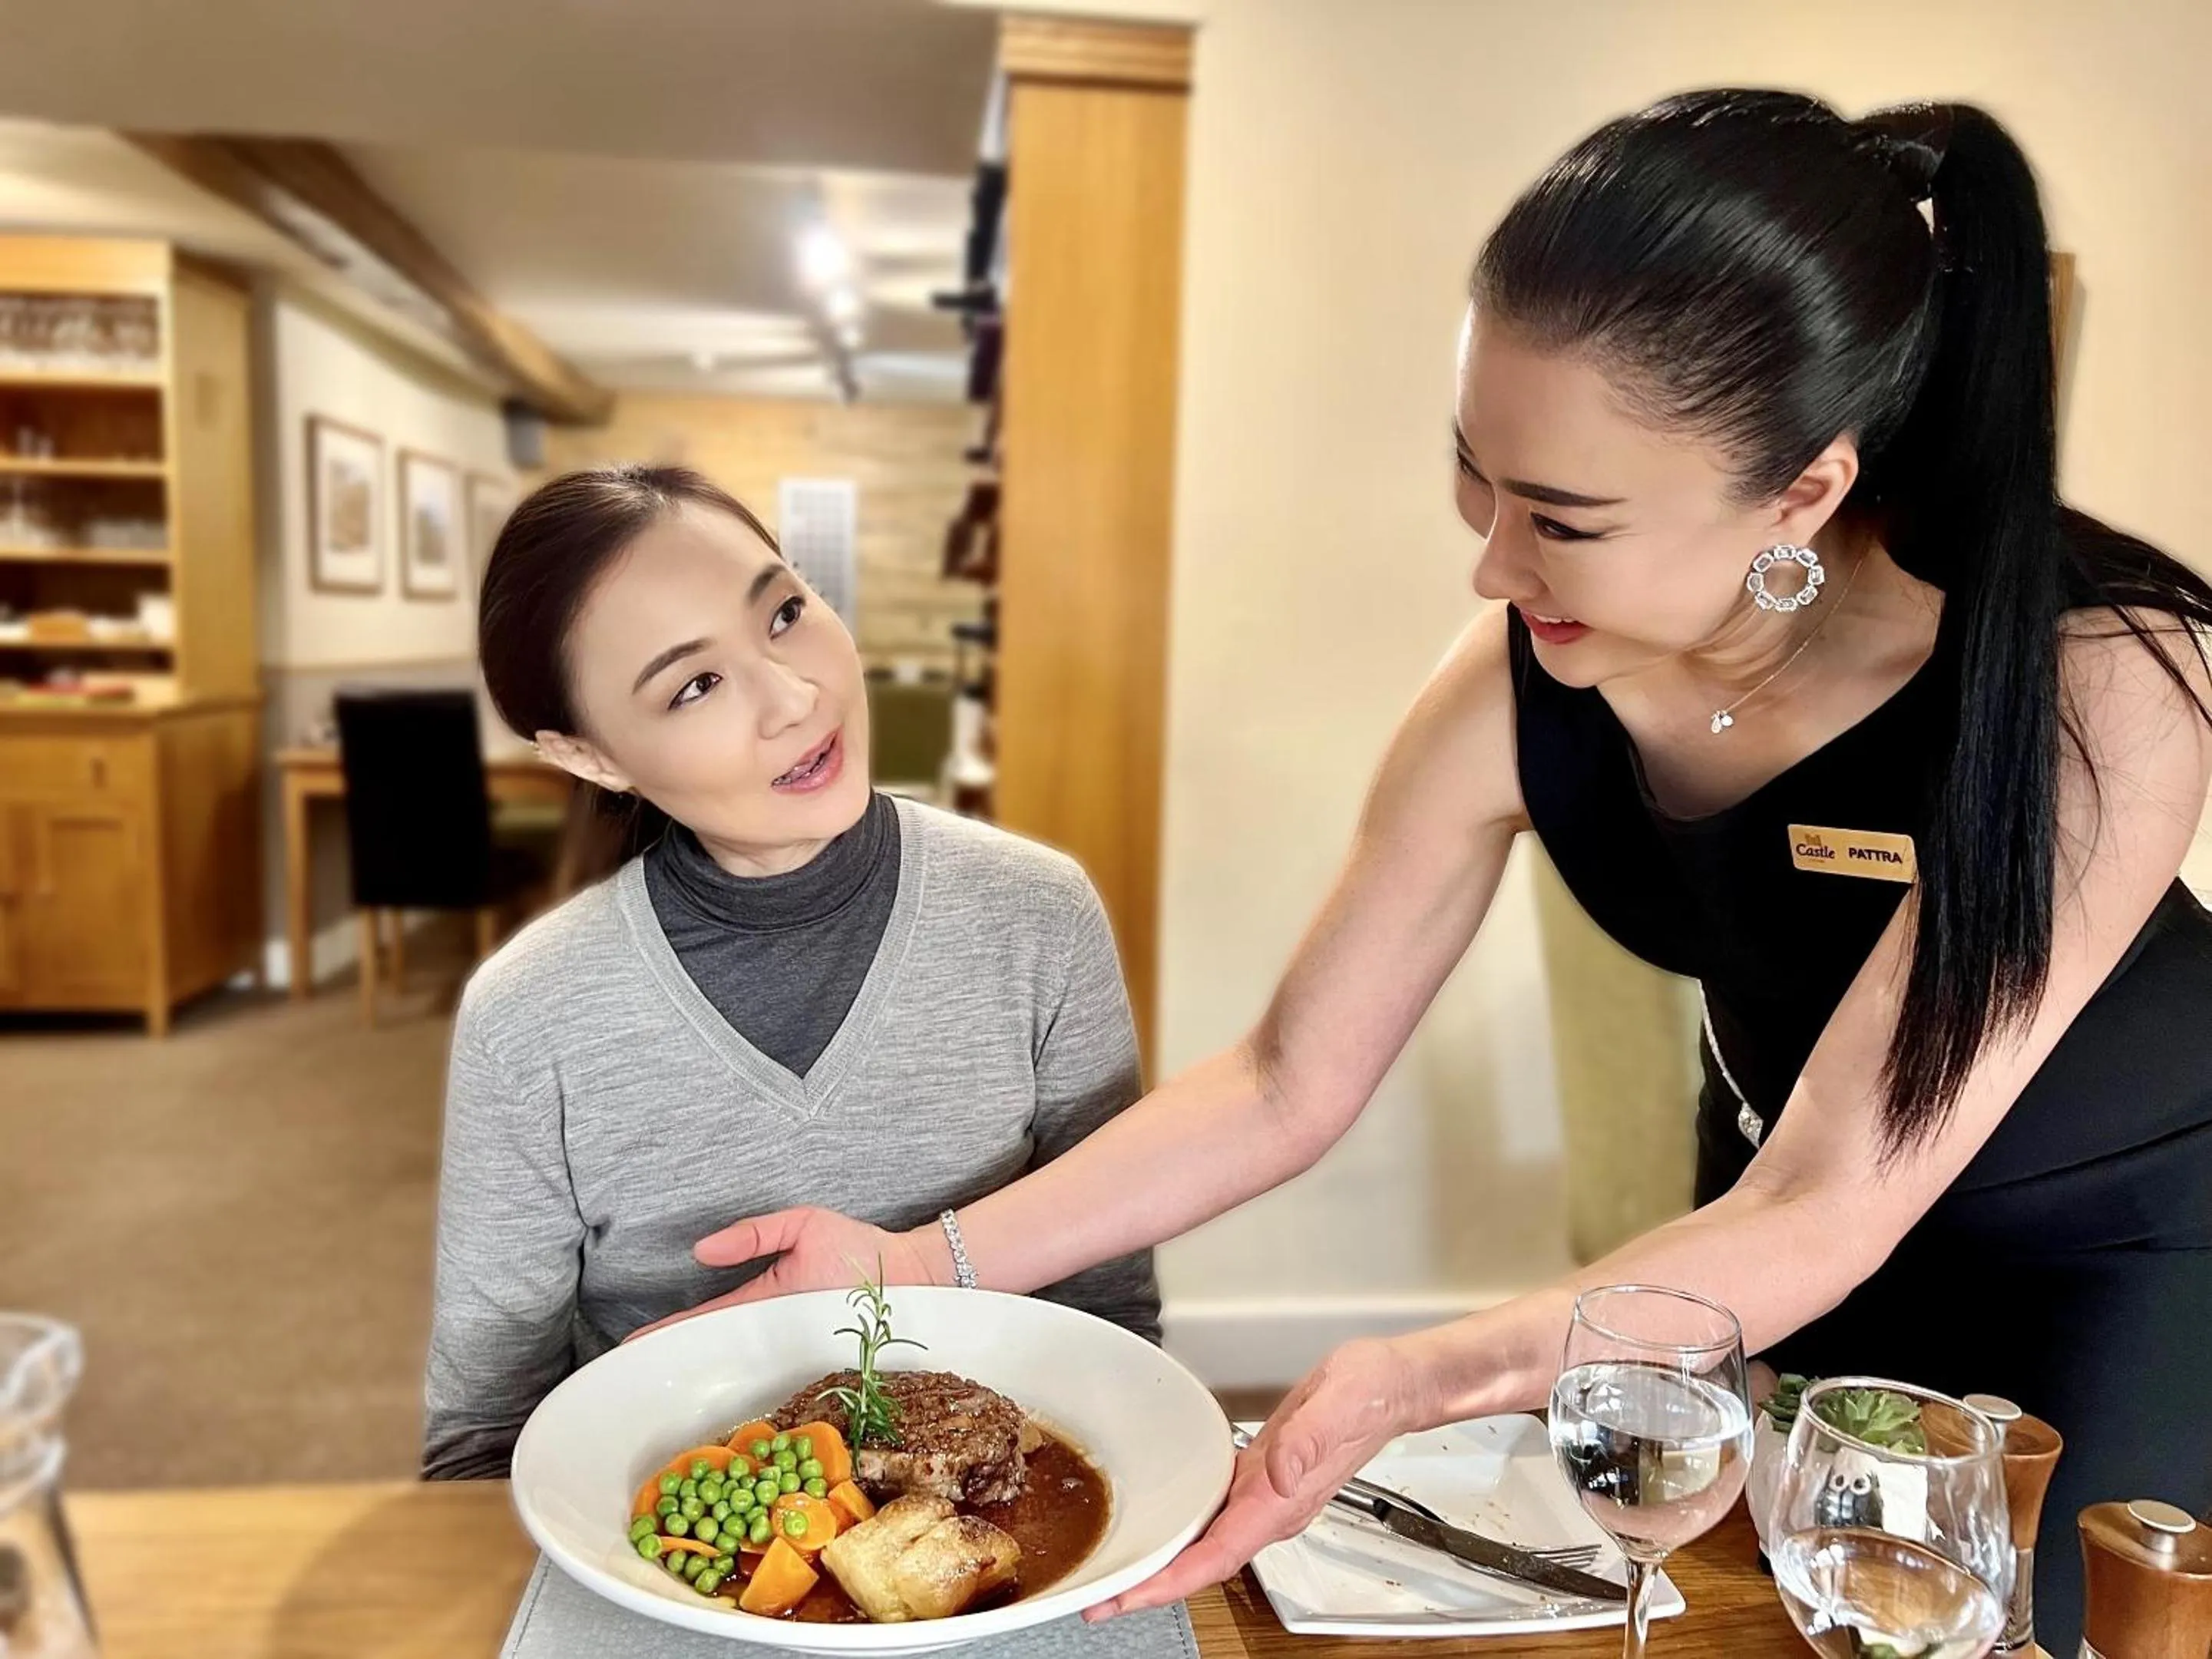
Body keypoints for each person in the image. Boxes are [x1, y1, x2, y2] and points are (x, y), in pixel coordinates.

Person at [649, 94, 2212, 1648]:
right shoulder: (1529, 671)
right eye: (1481, 478)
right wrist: (918, 1262)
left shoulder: (2109, 681)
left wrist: (1428, 1372)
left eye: (1565, 519)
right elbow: (1283, 1078)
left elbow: (1833, 1195)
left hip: (2113, 1256)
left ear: (1799, 494)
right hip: (1770, 1232)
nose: (1492, 562)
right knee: (1755, 1618)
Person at [419, 464, 1159, 1481]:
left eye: (784, 614)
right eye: (695, 685)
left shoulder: (1038, 914)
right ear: (590, 757)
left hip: (999, 1527)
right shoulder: (529, 1017)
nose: (796, 696)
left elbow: (1112, 1318)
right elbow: (482, 1438)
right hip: (675, 1552)